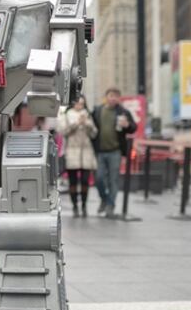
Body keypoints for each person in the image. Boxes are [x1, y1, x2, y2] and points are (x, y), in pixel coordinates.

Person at [91, 88, 137, 218]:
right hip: (100, 151)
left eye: (116, 96)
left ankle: (110, 205)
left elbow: (133, 128)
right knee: (99, 178)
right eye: (111, 96)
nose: (113, 98)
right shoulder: (98, 110)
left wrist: (127, 125)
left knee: (113, 180)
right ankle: (104, 199)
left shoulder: (123, 112)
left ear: (119, 98)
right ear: (106, 96)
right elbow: (91, 127)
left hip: (115, 152)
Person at [57, 96, 97, 217]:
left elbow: (94, 133)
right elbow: (63, 131)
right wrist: (76, 123)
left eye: (82, 104)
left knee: (85, 180)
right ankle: (75, 206)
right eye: (77, 103)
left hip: (86, 151)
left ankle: (84, 206)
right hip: (71, 151)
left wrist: (88, 124)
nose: (80, 106)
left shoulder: (87, 115)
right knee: (73, 181)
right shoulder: (66, 115)